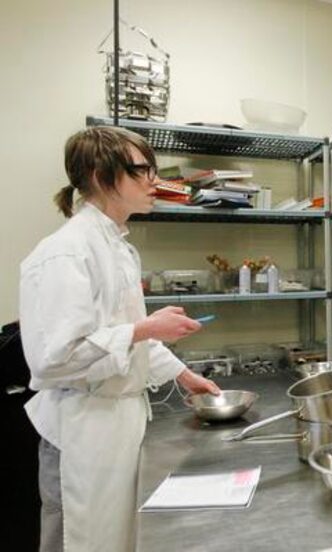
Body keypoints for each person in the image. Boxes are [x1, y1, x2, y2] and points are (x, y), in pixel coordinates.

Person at [19, 126, 221, 552]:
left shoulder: (119, 249)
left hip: (114, 428)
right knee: (78, 539)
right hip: (80, 433)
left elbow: (127, 336)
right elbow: (56, 358)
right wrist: (147, 328)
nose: (155, 181)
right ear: (98, 174)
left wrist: (184, 375)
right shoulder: (66, 252)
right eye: (142, 170)